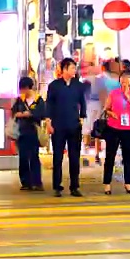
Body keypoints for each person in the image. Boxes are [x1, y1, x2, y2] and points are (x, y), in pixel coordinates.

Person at [46, 57, 87, 198]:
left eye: (75, 68)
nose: (74, 71)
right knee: (57, 157)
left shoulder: (78, 85)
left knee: (75, 157)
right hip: (58, 126)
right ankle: (57, 186)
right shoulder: (54, 86)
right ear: (64, 69)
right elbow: (49, 105)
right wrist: (48, 122)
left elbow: (83, 103)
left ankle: (74, 186)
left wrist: (82, 118)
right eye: (71, 68)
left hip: (74, 125)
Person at [103, 71, 130, 194]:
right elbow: (106, 108)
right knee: (110, 157)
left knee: (128, 157)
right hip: (113, 128)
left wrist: (127, 95)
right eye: (122, 78)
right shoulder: (113, 93)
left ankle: (128, 184)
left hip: (128, 130)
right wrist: (110, 113)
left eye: (127, 78)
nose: (124, 80)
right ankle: (107, 184)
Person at [12, 77, 45, 191]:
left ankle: (37, 182)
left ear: (28, 88)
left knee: (34, 157)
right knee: (23, 157)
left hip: (34, 132)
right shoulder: (19, 100)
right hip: (22, 132)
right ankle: (26, 182)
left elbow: (42, 114)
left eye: (23, 89)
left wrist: (30, 114)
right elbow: (14, 112)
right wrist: (19, 114)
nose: (22, 92)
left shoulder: (38, 100)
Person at [91, 60, 121, 165]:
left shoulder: (99, 79)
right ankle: (109, 155)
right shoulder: (116, 81)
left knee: (99, 131)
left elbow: (98, 94)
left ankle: (97, 154)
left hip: (102, 108)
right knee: (111, 133)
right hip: (113, 110)